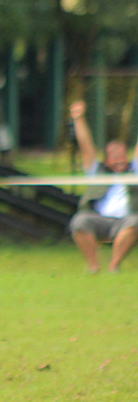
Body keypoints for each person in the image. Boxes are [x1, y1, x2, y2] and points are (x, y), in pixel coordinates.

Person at [67, 100, 138, 273]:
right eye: (115, 156)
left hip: (127, 220)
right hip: (98, 219)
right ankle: (94, 266)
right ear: (107, 160)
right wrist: (79, 118)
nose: (120, 159)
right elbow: (86, 146)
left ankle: (114, 265)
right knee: (79, 221)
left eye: (123, 155)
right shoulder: (96, 170)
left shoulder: (134, 170)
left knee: (136, 222)